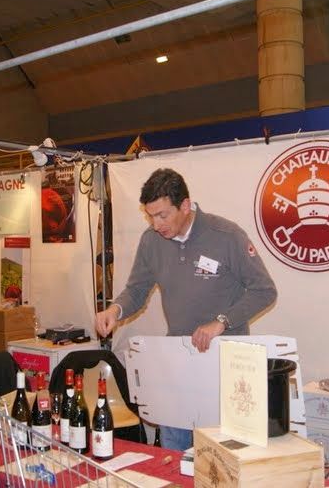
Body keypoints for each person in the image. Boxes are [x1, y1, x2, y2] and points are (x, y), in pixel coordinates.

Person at [94, 168, 277, 451]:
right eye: (150, 216)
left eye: (162, 215)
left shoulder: (226, 236)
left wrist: (221, 321)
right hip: (178, 364)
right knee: (174, 453)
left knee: (222, 456)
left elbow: (264, 291)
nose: (156, 225)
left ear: (185, 205)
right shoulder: (151, 241)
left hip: (225, 365)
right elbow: (137, 289)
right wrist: (115, 310)